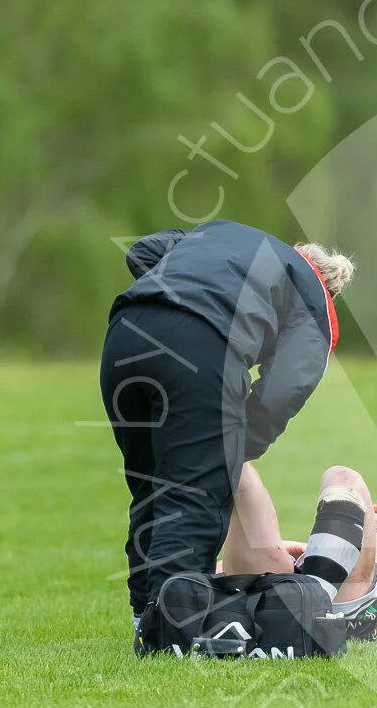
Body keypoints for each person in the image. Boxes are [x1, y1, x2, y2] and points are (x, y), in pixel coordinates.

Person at [100, 219, 352, 628]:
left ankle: (144, 619)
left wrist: (180, 292)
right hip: (202, 345)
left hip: (126, 331)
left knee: (151, 488)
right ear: (330, 287)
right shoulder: (314, 299)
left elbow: (142, 251)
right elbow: (284, 389)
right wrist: (234, 446)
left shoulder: (223, 232)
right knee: (193, 495)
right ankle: (175, 630)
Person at [217, 462, 377, 641]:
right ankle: (307, 603)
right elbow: (216, 574)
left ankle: (314, 603)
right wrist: (296, 549)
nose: (355, 528)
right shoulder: (306, 558)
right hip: (281, 593)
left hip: (351, 605)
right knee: (240, 468)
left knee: (343, 478)